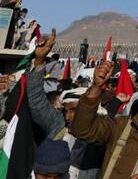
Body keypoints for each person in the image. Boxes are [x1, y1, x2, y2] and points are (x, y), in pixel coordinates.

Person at [26, 30, 105, 178]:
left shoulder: (104, 133)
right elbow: (35, 98)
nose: (68, 117)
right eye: (66, 110)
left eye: (74, 110)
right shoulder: (58, 125)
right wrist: (39, 60)